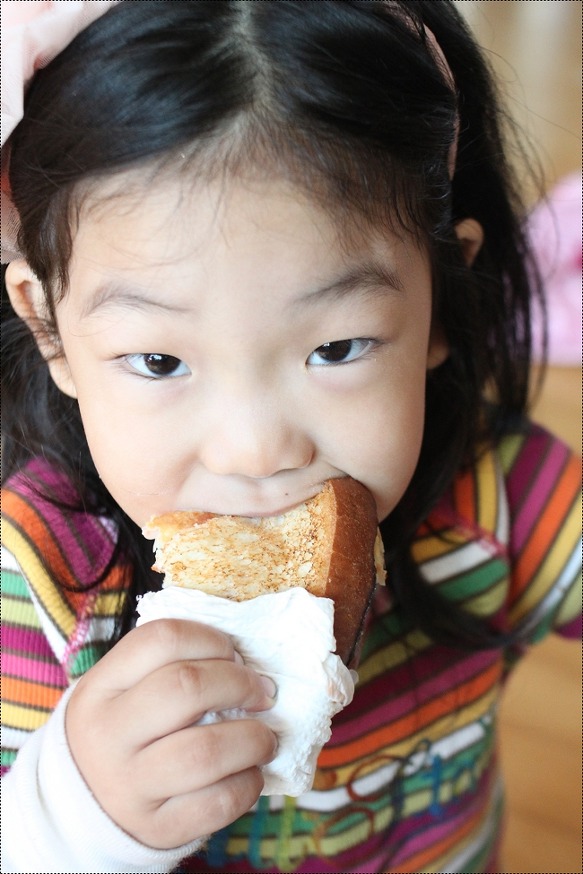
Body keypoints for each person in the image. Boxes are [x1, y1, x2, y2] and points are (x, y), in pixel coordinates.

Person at [1, 2, 580, 872]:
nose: (254, 449)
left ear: (437, 303)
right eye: (158, 360)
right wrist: (75, 816)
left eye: (336, 348)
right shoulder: (38, 577)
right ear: (50, 331)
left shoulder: (505, 496)